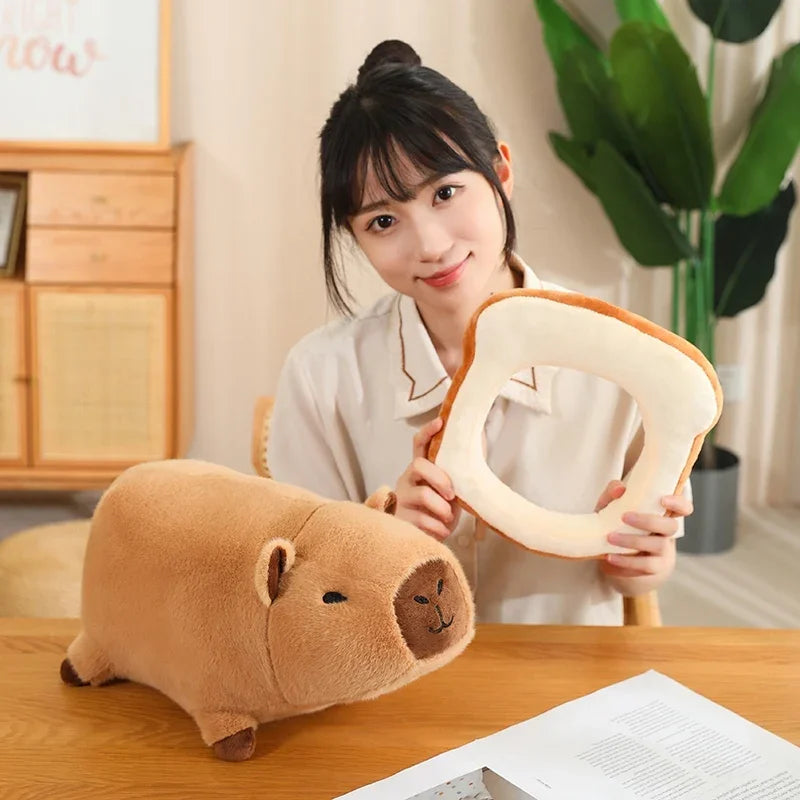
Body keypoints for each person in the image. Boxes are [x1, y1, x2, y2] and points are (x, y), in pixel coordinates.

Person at [267, 39, 692, 625]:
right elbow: (288, 591)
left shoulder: (624, 362)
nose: (431, 245)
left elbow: (637, 570)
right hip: (391, 691)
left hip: (565, 688)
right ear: (354, 235)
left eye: (445, 193)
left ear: (501, 171)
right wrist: (381, 541)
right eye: (384, 221)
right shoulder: (321, 376)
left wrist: (644, 562)